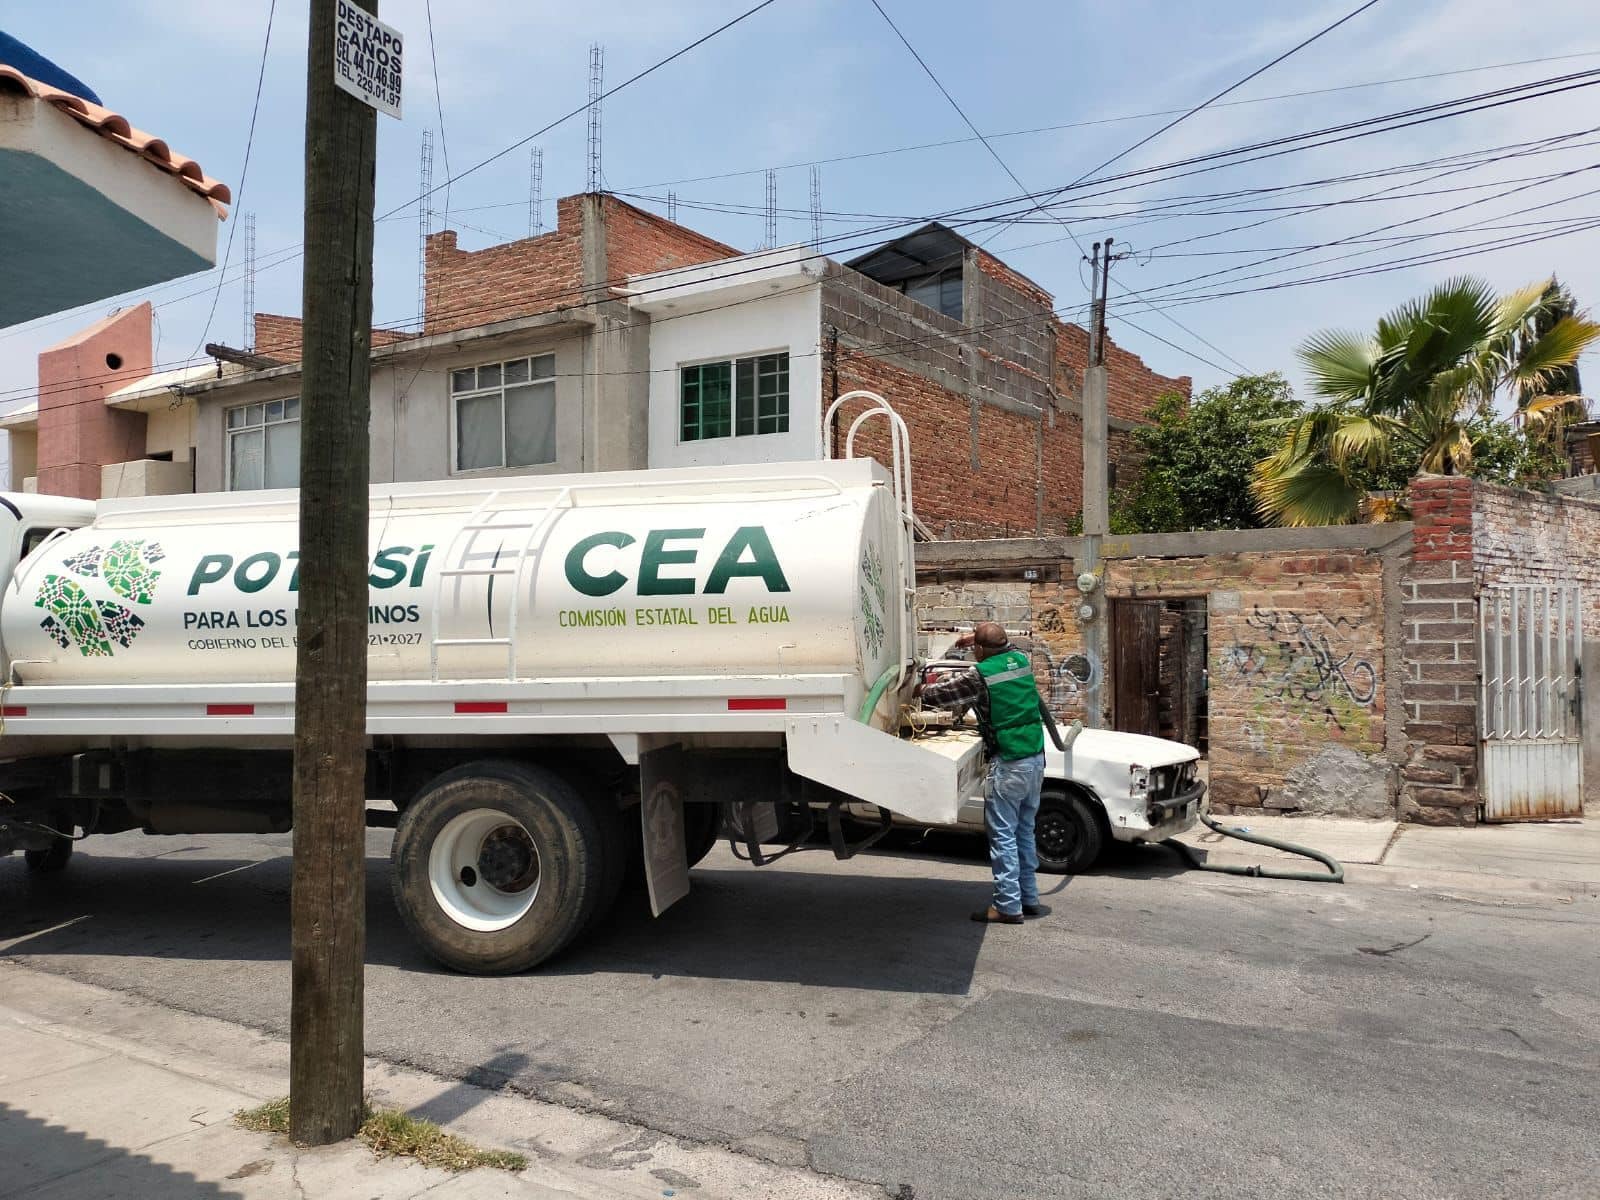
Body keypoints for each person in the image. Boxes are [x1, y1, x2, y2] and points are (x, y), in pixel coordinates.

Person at [918, 621, 1052, 925]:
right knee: (1024, 830)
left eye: (976, 647)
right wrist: (975, 640)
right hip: (1035, 759)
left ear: (980, 650)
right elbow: (1005, 646)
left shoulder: (981, 674)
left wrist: (915, 687)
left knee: (1003, 834)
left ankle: (1007, 905)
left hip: (1010, 763)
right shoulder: (1019, 660)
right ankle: (1028, 897)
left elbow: (939, 695)